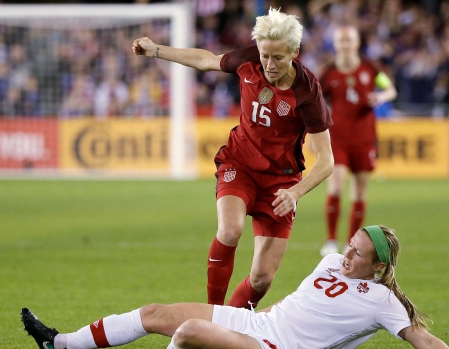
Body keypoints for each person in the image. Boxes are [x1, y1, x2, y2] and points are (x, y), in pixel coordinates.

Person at [132, 8, 334, 309]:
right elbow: (206, 60)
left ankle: (228, 322)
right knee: (229, 230)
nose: (269, 64)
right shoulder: (249, 59)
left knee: (262, 278)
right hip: (239, 165)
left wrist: (295, 192)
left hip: (281, 182)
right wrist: (156, 50)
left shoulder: (307, 92)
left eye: (278, 57)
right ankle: (210, 317)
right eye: (265, 55)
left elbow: (326, 160)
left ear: (295, 52)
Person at [21, 225, 449, 349]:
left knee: (188, 332)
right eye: (349, 246)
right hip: (255, 325)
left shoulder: (382, 301)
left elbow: (425, 341)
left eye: (356, 254)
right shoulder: (329, 262)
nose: (346, 256)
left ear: (377, 267)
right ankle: (58, 344)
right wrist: (257, 317)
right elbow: (298, 302)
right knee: (157, 313)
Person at [318, 25, 397, 257]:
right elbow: (316, 100)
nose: (345, 45)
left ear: (357, 43)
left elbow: (390, 89)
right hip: (338, 138)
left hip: (365, 139)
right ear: (335, 44)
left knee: (360, 193)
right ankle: (330, 240)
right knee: (335, 186)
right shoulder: (329, 72)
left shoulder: (370, 68)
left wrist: (381, 96)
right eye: (341, 41)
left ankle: (349, 242)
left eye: (348, 41)